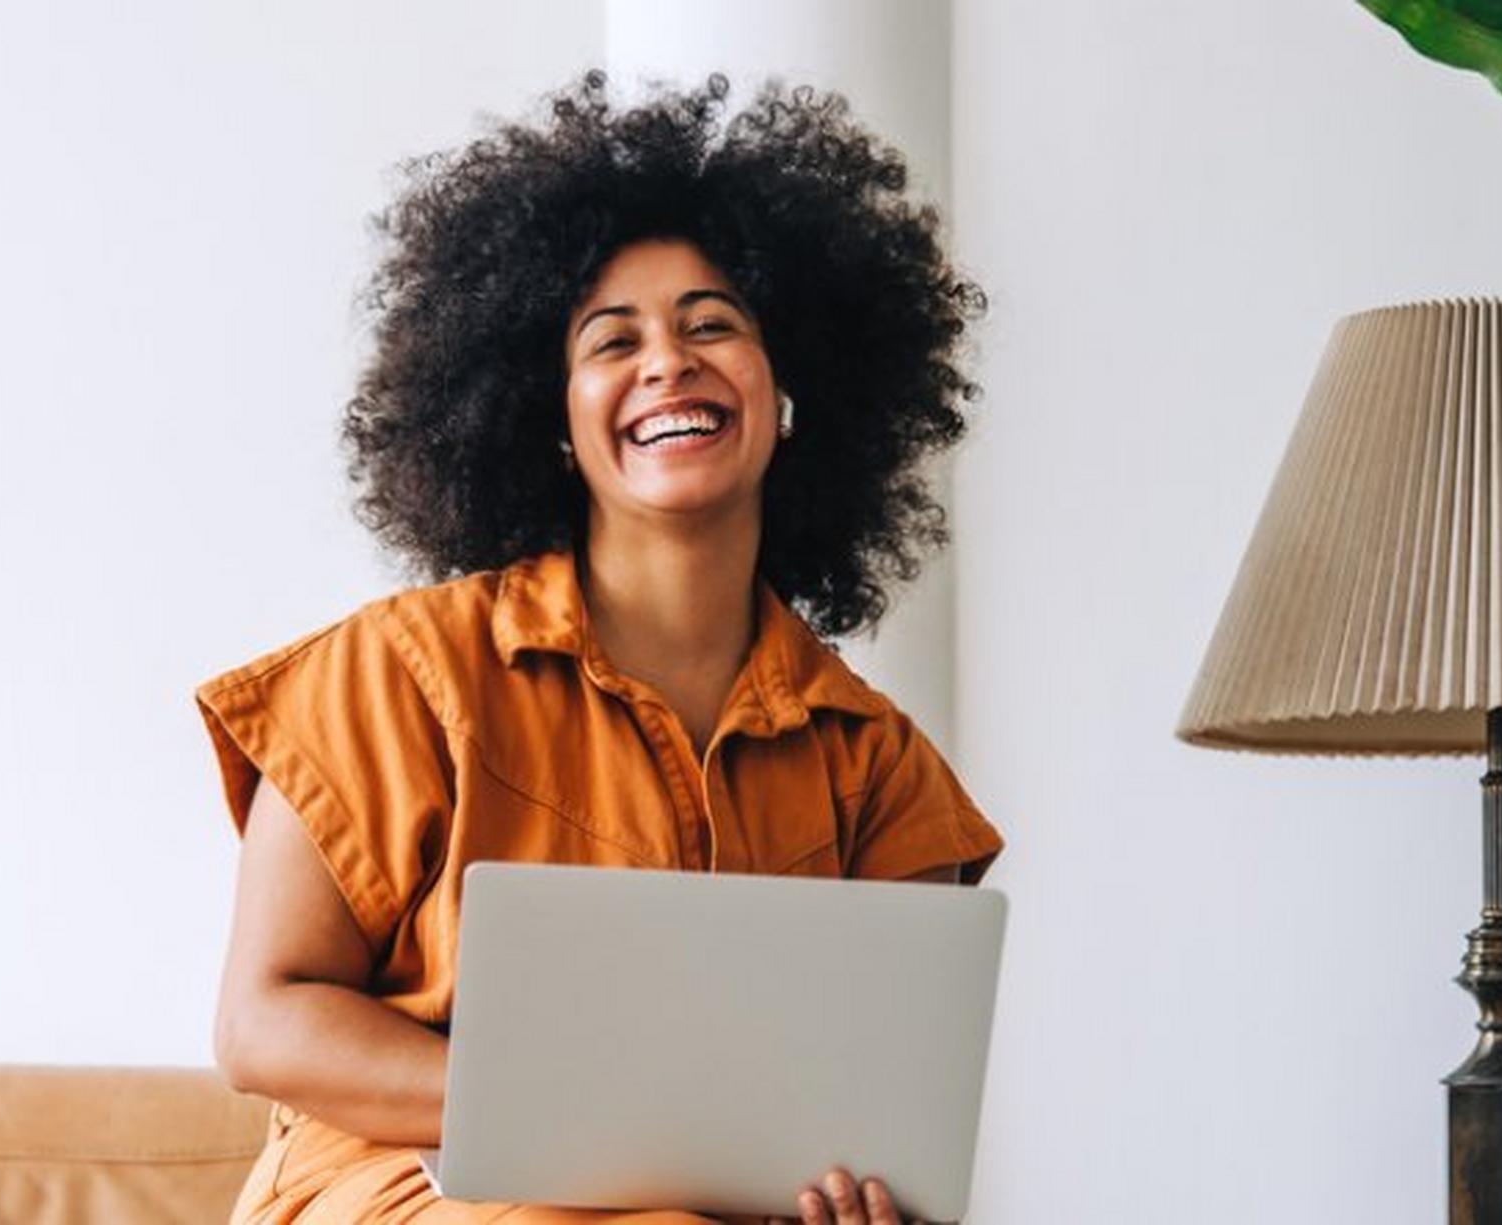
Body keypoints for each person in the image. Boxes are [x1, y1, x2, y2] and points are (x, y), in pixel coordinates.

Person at [195, 71, 1003, 1225]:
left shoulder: (876, 764)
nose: (667, 361)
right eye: (610, 341)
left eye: (711, 324)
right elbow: (261, 1020)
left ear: (789, 396)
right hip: (398, 1182)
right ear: (558, 425)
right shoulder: (396, 670)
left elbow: (883, 1112)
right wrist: (594, 1124)